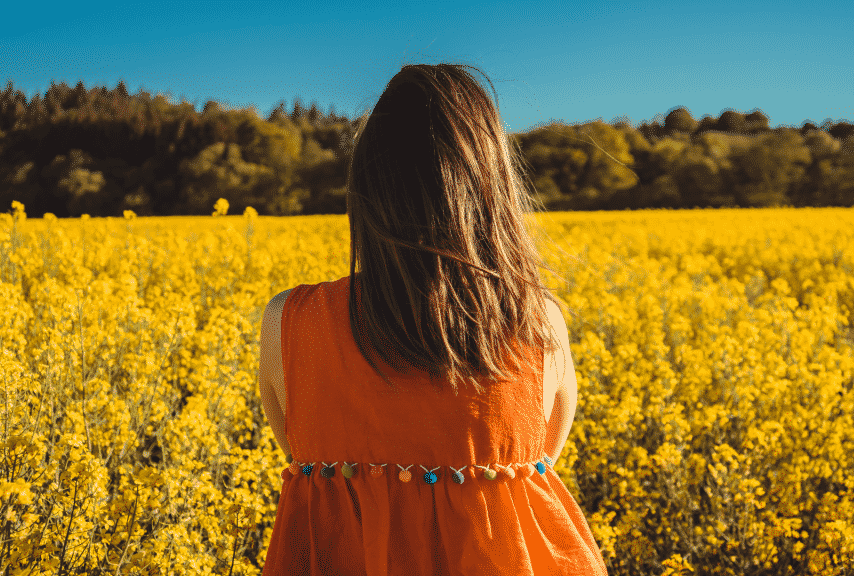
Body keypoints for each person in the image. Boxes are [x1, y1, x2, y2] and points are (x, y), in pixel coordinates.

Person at [257, 63, 607, 575]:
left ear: (367, 189)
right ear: (495, 191)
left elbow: (302, 448)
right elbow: (543, 455)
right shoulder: (541, 326)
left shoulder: (288, 323)